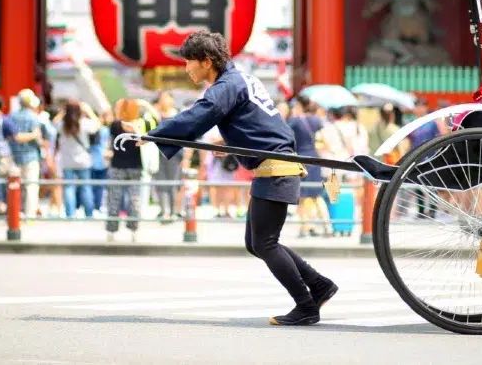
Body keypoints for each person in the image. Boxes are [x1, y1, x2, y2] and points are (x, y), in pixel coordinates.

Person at [143, 31, 337, 326]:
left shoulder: (225, 86)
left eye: (189, 62)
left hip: (277, 167)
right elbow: (259, 124)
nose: (186, 68)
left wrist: (152, 134)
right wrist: (229, 144)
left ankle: (306, 304)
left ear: (206, 61)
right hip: (276, 164)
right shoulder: (240, 78)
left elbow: (198, 116)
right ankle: (319, 284)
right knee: (256, 242)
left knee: (265, 243)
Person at [105, 99, 146, 241]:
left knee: (114, 198)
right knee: (134, 199)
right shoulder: (141, 125)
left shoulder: (115, 125)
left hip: (118, 166)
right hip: (135, 166)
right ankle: (133, 230)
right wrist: (145, 105)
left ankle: (111, 231)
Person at [288, 97, 328, 238]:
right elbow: (325, 138)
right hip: (315, 158)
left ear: (299, 106)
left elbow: (286, 136)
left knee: (304, 195)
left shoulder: (295, 121)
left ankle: (305, 227)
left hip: (302, 158)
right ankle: (326, 225)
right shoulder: (317, 120)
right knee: (316, 194)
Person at [4, 88, 47, 220]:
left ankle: (16, 214)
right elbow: (38, 137)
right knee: (31, 186)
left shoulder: (11, 116)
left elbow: (9, 136)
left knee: (15, 186)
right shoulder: (33, 117)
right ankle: (30, 215)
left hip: (14, 155)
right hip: (31, 156)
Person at [57, 101, 101, 218]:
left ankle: (70, 214)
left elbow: (53, 124)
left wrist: (63, 112)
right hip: (83, 160)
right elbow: (98, 125)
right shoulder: (84, 123)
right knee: (86, 187)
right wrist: (89, 111)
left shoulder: (62, 125)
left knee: (69, 188)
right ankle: (88, 214)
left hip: (67, 161)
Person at [151, 91, 185, 222]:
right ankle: (163, 210)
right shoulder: (155, 115)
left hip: (174, 153)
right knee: (160, 182)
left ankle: (173, 211)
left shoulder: (178, 113)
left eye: (166, 98)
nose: (163, 101)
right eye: (161, 98)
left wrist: (186, 157)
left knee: (173, 183)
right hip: (157, 153)